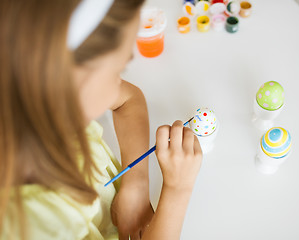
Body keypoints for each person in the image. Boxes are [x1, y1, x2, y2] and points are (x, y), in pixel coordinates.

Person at [0, 0, 202, 239]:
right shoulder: (36, 224)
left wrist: (136, 184)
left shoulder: (34, 100)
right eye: (118, 70)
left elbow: (128, 98)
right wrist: (178, 189)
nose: (120, 83)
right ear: (71, 82)